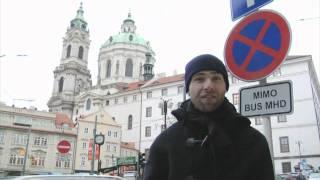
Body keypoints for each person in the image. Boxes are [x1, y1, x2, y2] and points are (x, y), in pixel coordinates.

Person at [143, 54, 274, 180]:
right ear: (188, 88)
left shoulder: (254, 142)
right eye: (199, 79)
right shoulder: (165, 144)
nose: (208, 86)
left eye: (216, 78)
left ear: (225, 86)